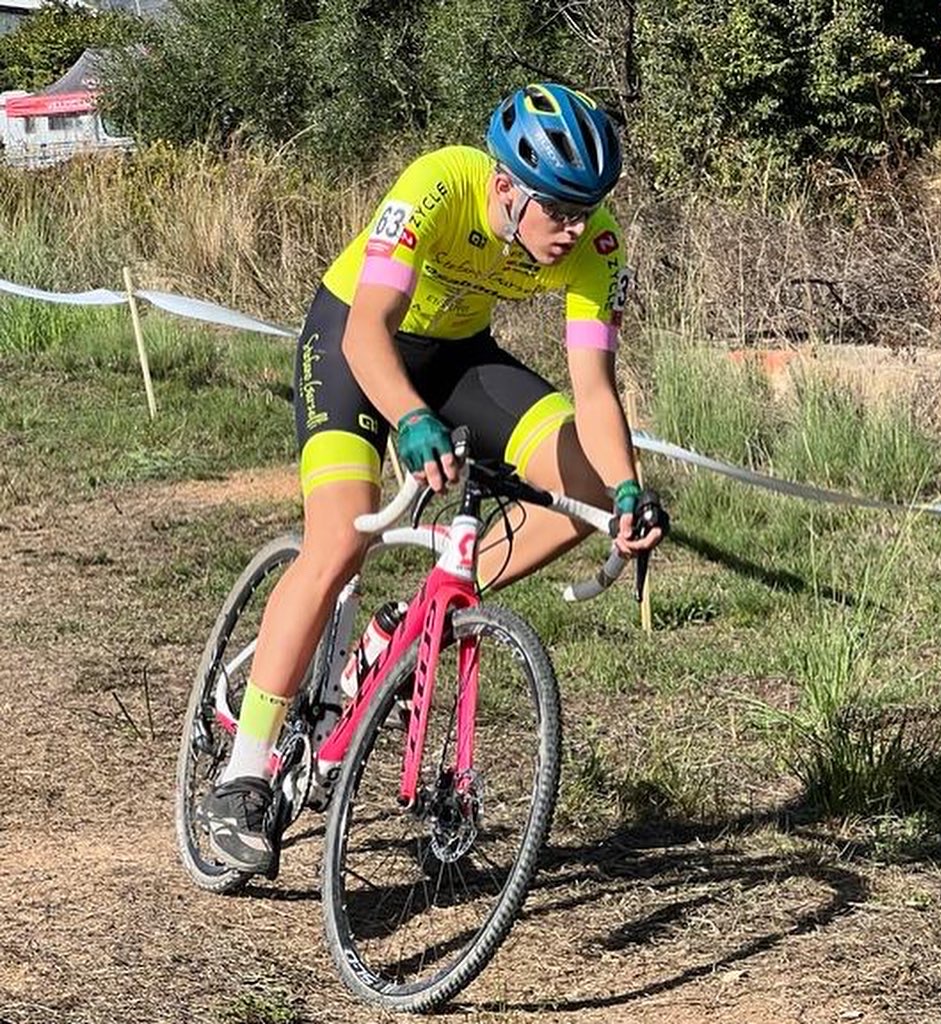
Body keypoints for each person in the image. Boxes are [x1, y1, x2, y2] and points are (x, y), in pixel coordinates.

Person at [198, 82, 664, 874]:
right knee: (340, 538)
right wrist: (410, 421)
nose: (574, 229)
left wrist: (624, 488)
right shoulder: (438, 184)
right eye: (559, 210)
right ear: (506, 186)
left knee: (583, 491)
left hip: (455, 357)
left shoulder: (597, 243)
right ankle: (243, 776)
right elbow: (368, 331)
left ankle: (418, 617)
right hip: (353, 339)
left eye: (586, 210)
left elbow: (594, 388)